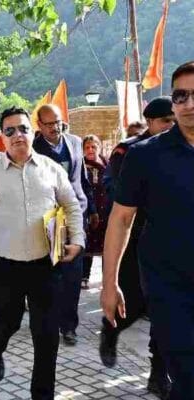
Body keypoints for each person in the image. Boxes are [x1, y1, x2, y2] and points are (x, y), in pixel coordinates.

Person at [0, 107, 84, 400]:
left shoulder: (52, 169)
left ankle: (42, 395)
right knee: (8, 322)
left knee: (46, 336)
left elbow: (71, 206)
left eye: (23, 128)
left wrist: (78, 240)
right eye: (10, 131)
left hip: (46, 265)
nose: (17, 135)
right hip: (4, 267)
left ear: (32, 132)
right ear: (2, 137)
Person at [102, 62, 194, 400]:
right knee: (186, 375)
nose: (188, 103)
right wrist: (109, 284)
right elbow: (121, 219)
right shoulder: (144, 155)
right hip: (169, 287)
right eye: (180, 96)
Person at [99, 96, 175, 399]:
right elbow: (114, 190)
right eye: (166, 121)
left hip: (170, 245)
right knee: (133, 303)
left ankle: (158, 374)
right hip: (133, 241)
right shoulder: (129, 151)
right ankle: (111, 330)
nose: (171, 126)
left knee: (163, 312)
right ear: (151, 122)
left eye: (174, 120)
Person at [33, 104, 94, 346]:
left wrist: (92, 209)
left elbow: (83, 179)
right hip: (48, 219)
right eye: (49, 124)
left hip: (76, 214)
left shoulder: (76, 142)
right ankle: (47, 321)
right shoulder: (32, 148)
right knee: (49, 274)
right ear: (39, 125)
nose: (55, 128)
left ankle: (69, 326)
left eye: (57, 122)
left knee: (73, 275)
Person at [81, 134, 108, 290]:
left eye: (94, 146)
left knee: (107, 244)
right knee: (88, 243)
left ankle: (107, 277)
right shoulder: (81, 166)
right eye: (87, 147)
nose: (90, 150)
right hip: (89, 209)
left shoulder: (107, 164)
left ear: (99, 147)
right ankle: (84, 276)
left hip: (106, 209)